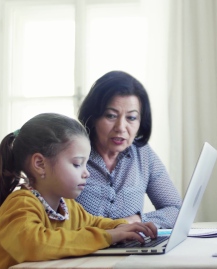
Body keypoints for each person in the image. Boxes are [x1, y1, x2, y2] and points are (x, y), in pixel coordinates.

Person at [0, 113, 157, 269]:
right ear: (40, 164)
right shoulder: (21, 204)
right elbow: (35, 245)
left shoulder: (67, 206)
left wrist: (124, 227)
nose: (87, 172)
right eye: (77, 164)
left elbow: (96, 223)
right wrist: (109, 236)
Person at [76, 71, 182, 229]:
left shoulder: (143, 154)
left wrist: (135, 221)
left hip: (131, 249)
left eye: (131, 118)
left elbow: (176, 210)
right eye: (111, 116)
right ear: (94, 117)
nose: (120, 128)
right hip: (84, 250)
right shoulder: (72, 153)